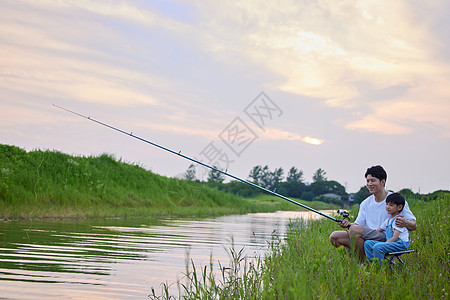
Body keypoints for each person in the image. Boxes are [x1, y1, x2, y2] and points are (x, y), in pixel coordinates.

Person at [329, 165, 416, 261]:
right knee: (334, 237)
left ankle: (362, 264)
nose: (369, 184)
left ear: (383, 182)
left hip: (386, 237)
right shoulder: (365, 203)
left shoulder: (395, 200)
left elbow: (413, 225)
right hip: (368, 236)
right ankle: (358, 256)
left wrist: (405, 223)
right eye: (367, 181)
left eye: (373, 180)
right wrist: (347, 224)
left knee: (354, 230)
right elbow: (358, 224)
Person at [364, 192, 410, 265]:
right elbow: (378, 230)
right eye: (387, 204)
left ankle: (379, 269)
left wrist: (383, 244)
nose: (387, 207)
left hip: (400, 244)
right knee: (368, 243)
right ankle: (371, 264)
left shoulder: (398, 220)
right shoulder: (388, 221)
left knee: (378, 247)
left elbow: (395, 238)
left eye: (391, 205)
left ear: (399, 207)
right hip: (391, 243)